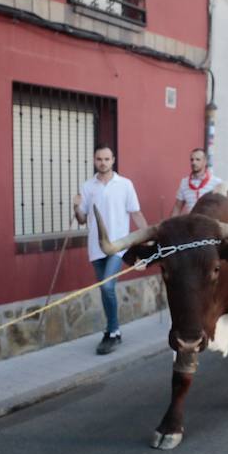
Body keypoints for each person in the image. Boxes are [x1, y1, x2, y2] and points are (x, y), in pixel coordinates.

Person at [74, 146, 147, 355]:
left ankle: (112, 332)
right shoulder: (88, 186)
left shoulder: (125, 184)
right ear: (94, 160)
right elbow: (81, 219)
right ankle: (113, 331)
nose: (103, 162)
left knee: (107, 288)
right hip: (95, 248)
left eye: (107, 159)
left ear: (113, 160)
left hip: (118, 246)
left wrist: (150, 237)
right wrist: (76, 207)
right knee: (106, 291)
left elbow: (136, 213)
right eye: (99, 159)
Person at [171, 147, 222, 216]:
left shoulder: (217, 182)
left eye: (198, 159)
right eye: (192, 160)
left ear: (205, 162)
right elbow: (177, 206)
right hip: (191, 223)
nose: (194, 162)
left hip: (209, 224)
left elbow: (222, 207)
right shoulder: (184, 182)